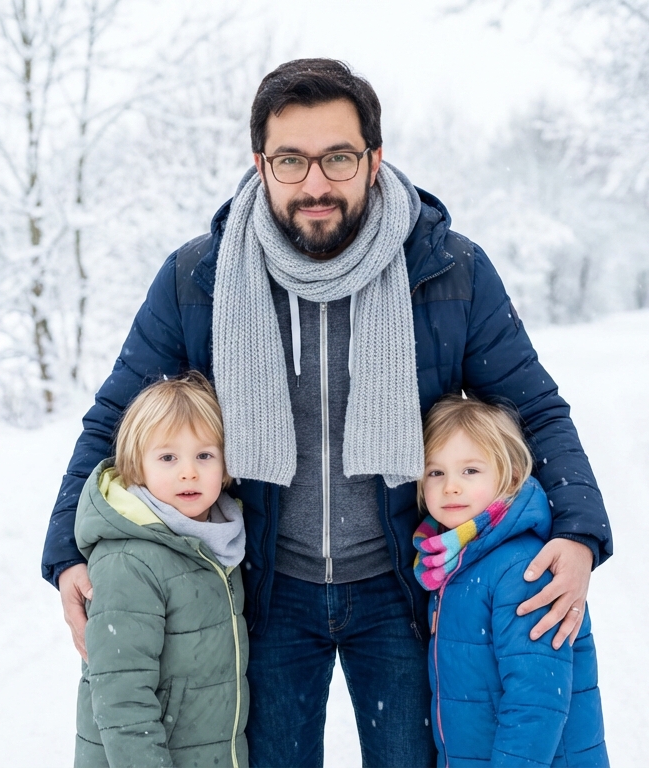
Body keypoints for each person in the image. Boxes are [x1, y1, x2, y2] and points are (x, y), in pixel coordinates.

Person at [43, 58, 614, 767]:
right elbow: (113, 419)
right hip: (267, 590)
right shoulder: (201, 278)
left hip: (403, 588)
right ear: (261, 165)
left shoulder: (448, 270)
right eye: (291, 160)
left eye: (337, 157)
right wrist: (67, 553)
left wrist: (582, 532)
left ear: (374, 159)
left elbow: (537, 408)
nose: (315, 183)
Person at [416, 395, 607, 767]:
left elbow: (536, 701)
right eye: (435, 472)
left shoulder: (523, 569)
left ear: (511, 475)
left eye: (470, 470)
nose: (451, 486)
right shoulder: (450, 563)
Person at [72, 372, 248, 768]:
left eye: (204, 455)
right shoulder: (129, 562)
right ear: (137, 465)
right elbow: (122, 699)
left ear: (226, 466)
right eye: (168, 457)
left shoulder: (220, 543)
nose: (188, 472)